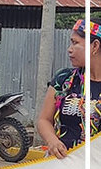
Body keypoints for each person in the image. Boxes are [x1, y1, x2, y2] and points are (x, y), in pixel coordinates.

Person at [36, 18, 101, 159]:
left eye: (75, 43)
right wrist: (52, 141)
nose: (69, 49)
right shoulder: (64, 79)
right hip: (63, 166)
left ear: (95, 46)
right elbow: (44, 120)